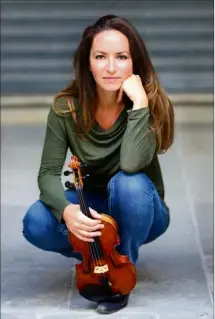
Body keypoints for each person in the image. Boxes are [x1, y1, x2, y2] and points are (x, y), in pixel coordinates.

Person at [22, 14, 174, 314]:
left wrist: (139, 105)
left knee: (127, 183)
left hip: (143, 208)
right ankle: (96, 257)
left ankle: (121, 276)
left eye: (122, 57)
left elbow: (131, 164)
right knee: (36, 221)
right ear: (88, 62)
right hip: (92, 205)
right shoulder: (65, 108)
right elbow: (48, 174)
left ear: (135, 63)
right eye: (101, 56)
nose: (111, 67)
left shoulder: (151, 104)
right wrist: (67, 211)